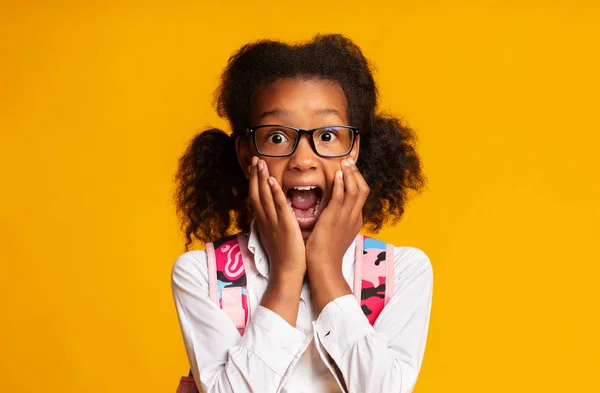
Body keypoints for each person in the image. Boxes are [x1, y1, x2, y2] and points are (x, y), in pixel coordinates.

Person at [171, 33, 433, 393]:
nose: (303, 160)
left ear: (352, 150)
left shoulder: (402, 271)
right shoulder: (202, 275)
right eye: (277, 137)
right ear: (248, 155)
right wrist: (287, 274)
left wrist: (325, 268)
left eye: (327, 136)